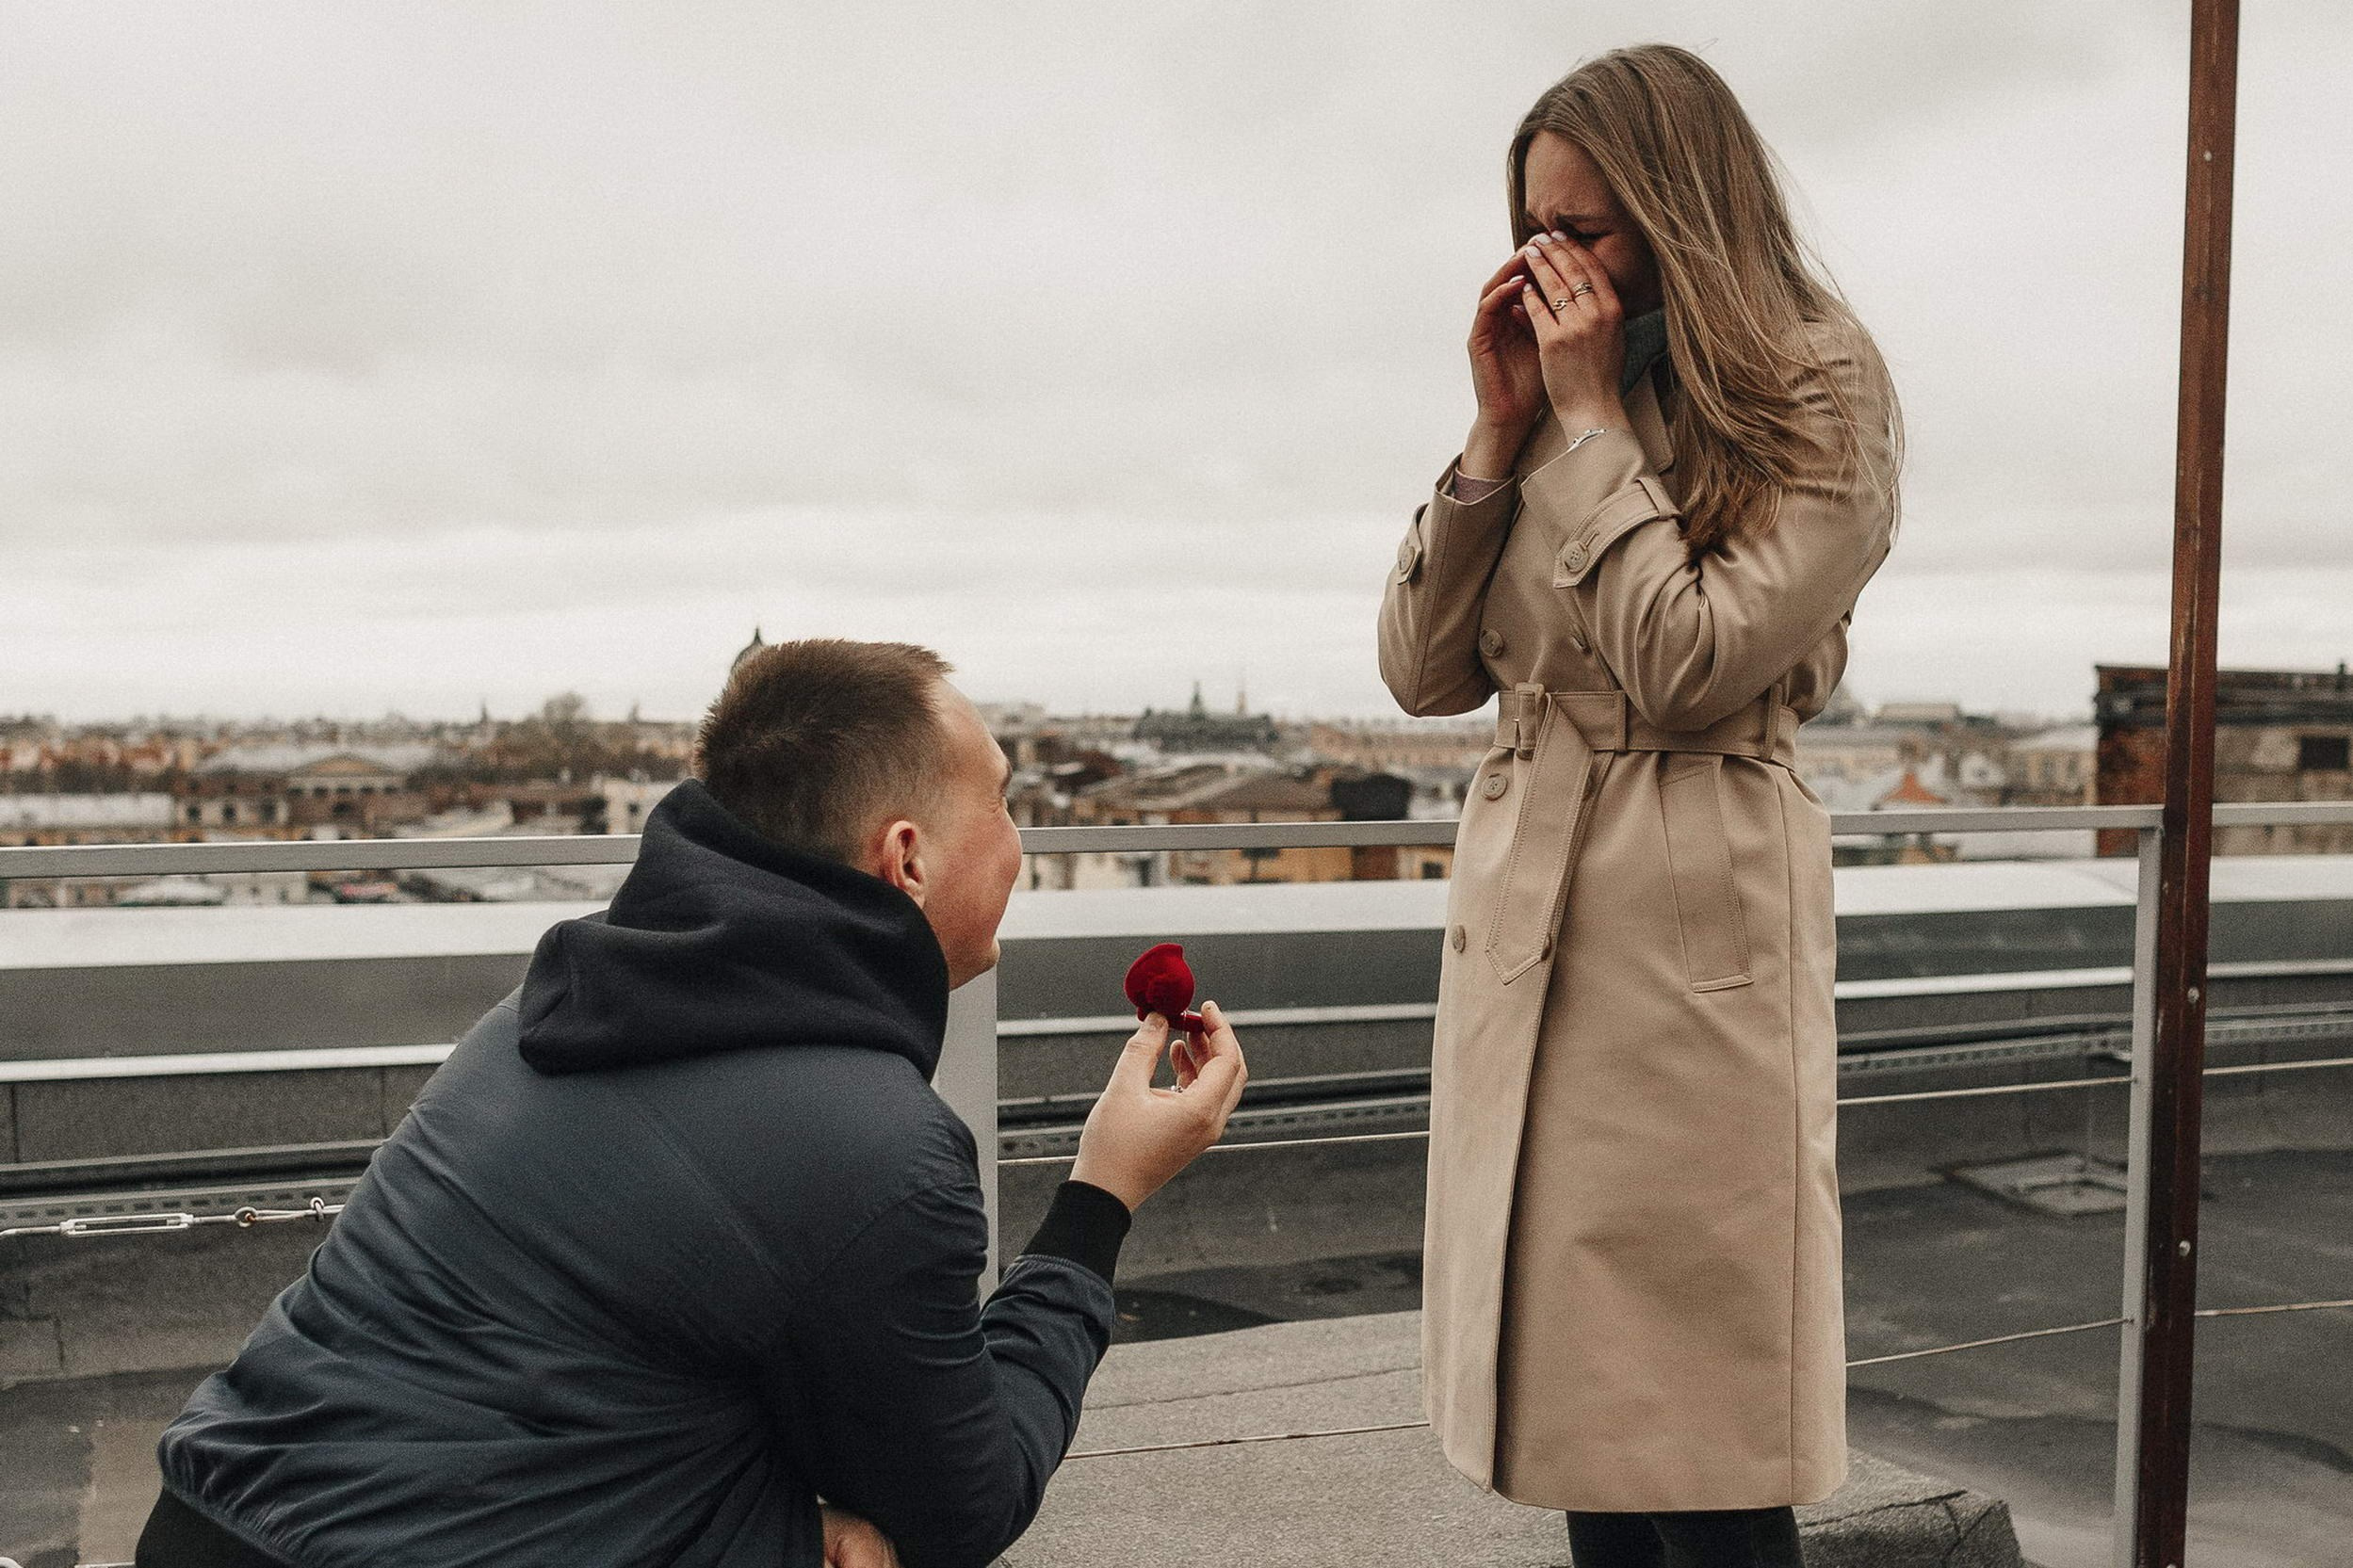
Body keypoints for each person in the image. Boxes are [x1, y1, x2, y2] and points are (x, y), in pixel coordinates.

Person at [137, 639, 1248, 1568]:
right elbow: (959, 1505)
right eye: (1004, 803)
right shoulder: (875, 1149)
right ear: (906, 859)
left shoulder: (552, 1004)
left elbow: (551, 1407)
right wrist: (1102, 1194)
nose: (1024, 842)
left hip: (206, 1523)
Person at [1377, 44, 1903, 1568]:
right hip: (1529, 910)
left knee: (1699, 1420)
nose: (1552, 269)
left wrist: (1590, 416)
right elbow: (1420, 672)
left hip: (1687, 923)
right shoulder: (1557, 388)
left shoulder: (1814, 376)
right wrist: (1494, 434)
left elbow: (1687, 665)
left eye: (1586, 231)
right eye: (1531, 230)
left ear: (1681, 209)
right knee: (1580, 1415)